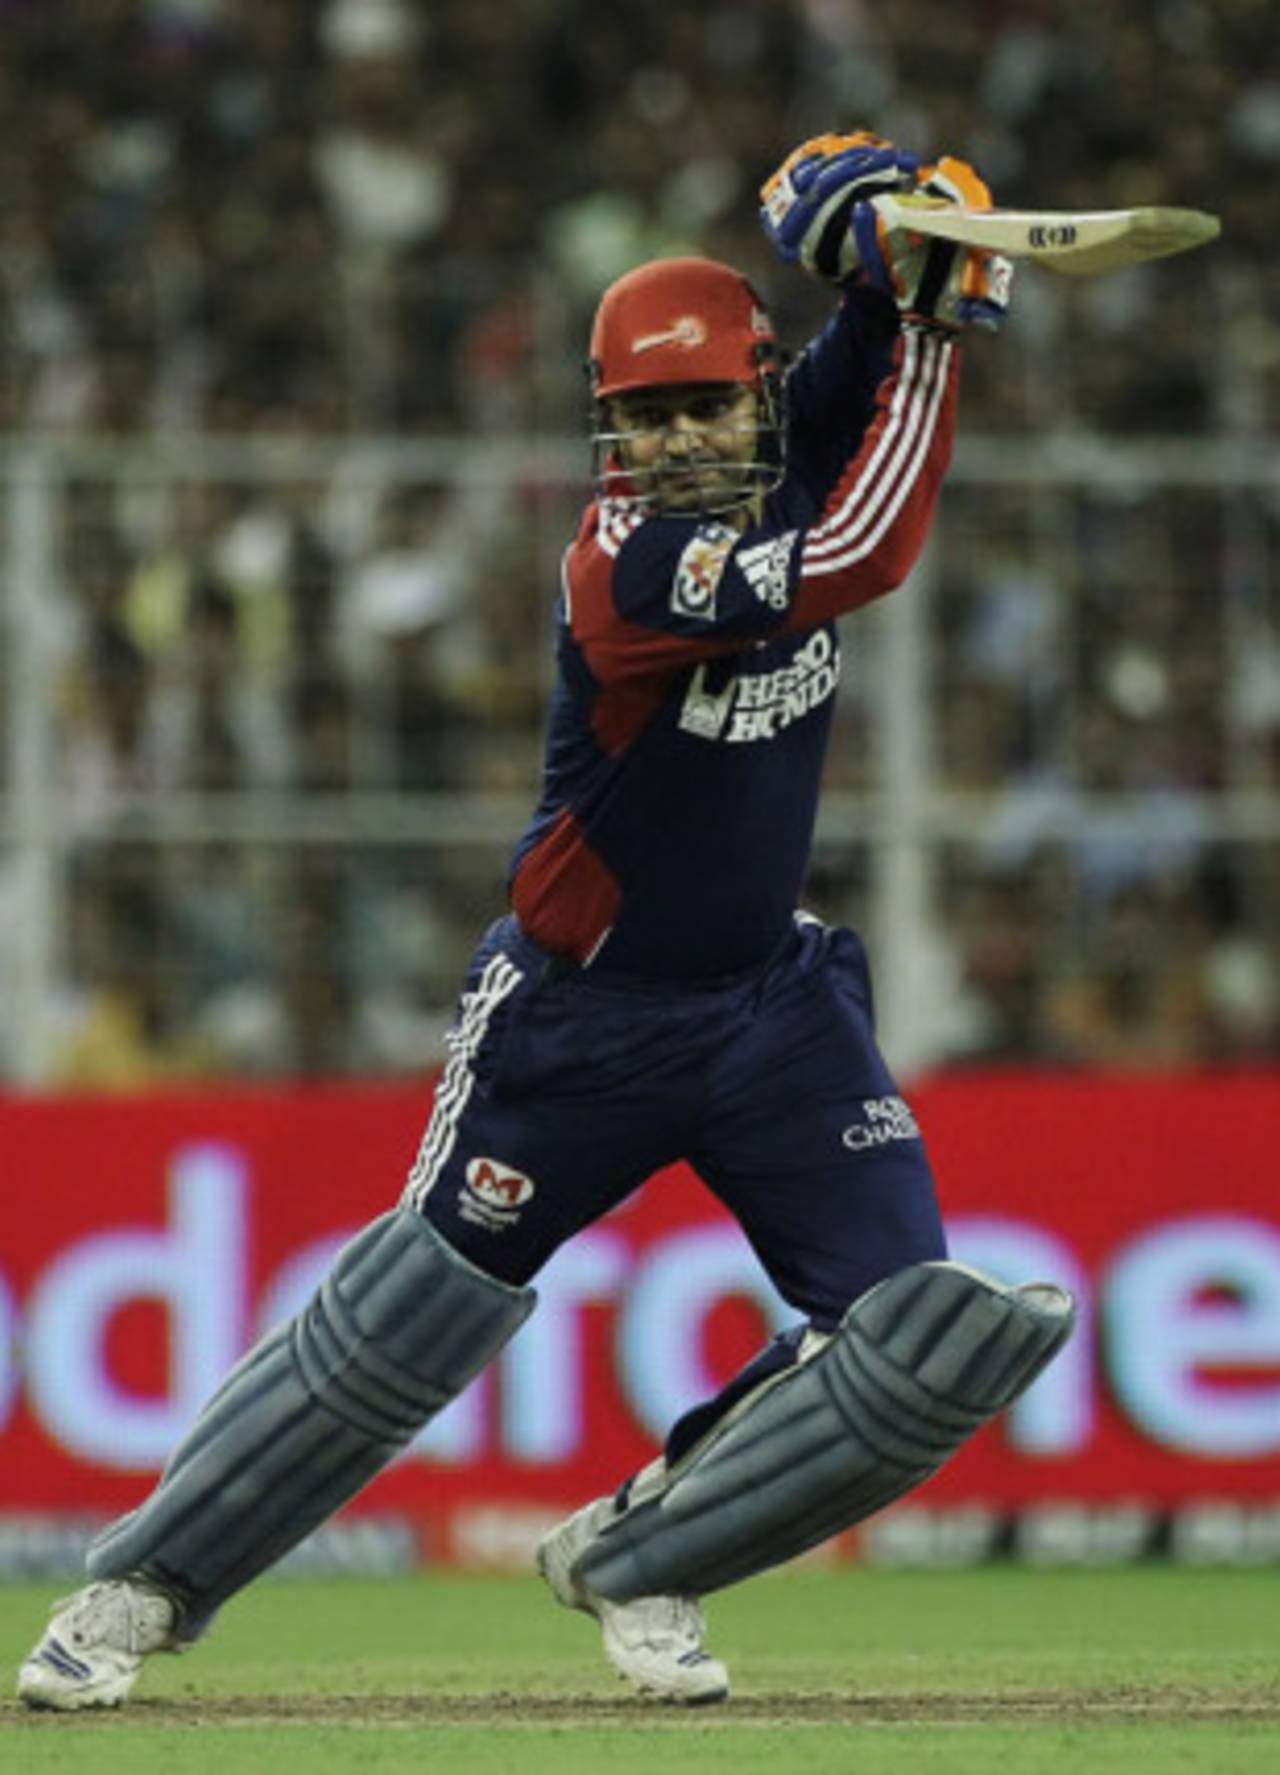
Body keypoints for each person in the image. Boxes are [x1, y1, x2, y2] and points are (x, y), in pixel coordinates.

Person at [18, 130, 1073, 1712]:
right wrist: (937, 318)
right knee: (412, 1316)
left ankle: (643, 1559)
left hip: (773, 1009)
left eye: (706, 402)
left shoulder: (790, 437)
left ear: (759, 393)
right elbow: (867, 551)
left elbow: (865, 325)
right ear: (607, 429)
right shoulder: (623, 560)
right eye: (643, 416)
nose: (676, 437)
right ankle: (136, 1594)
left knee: (920, 1337)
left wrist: (879, 229)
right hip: (579, 1018)